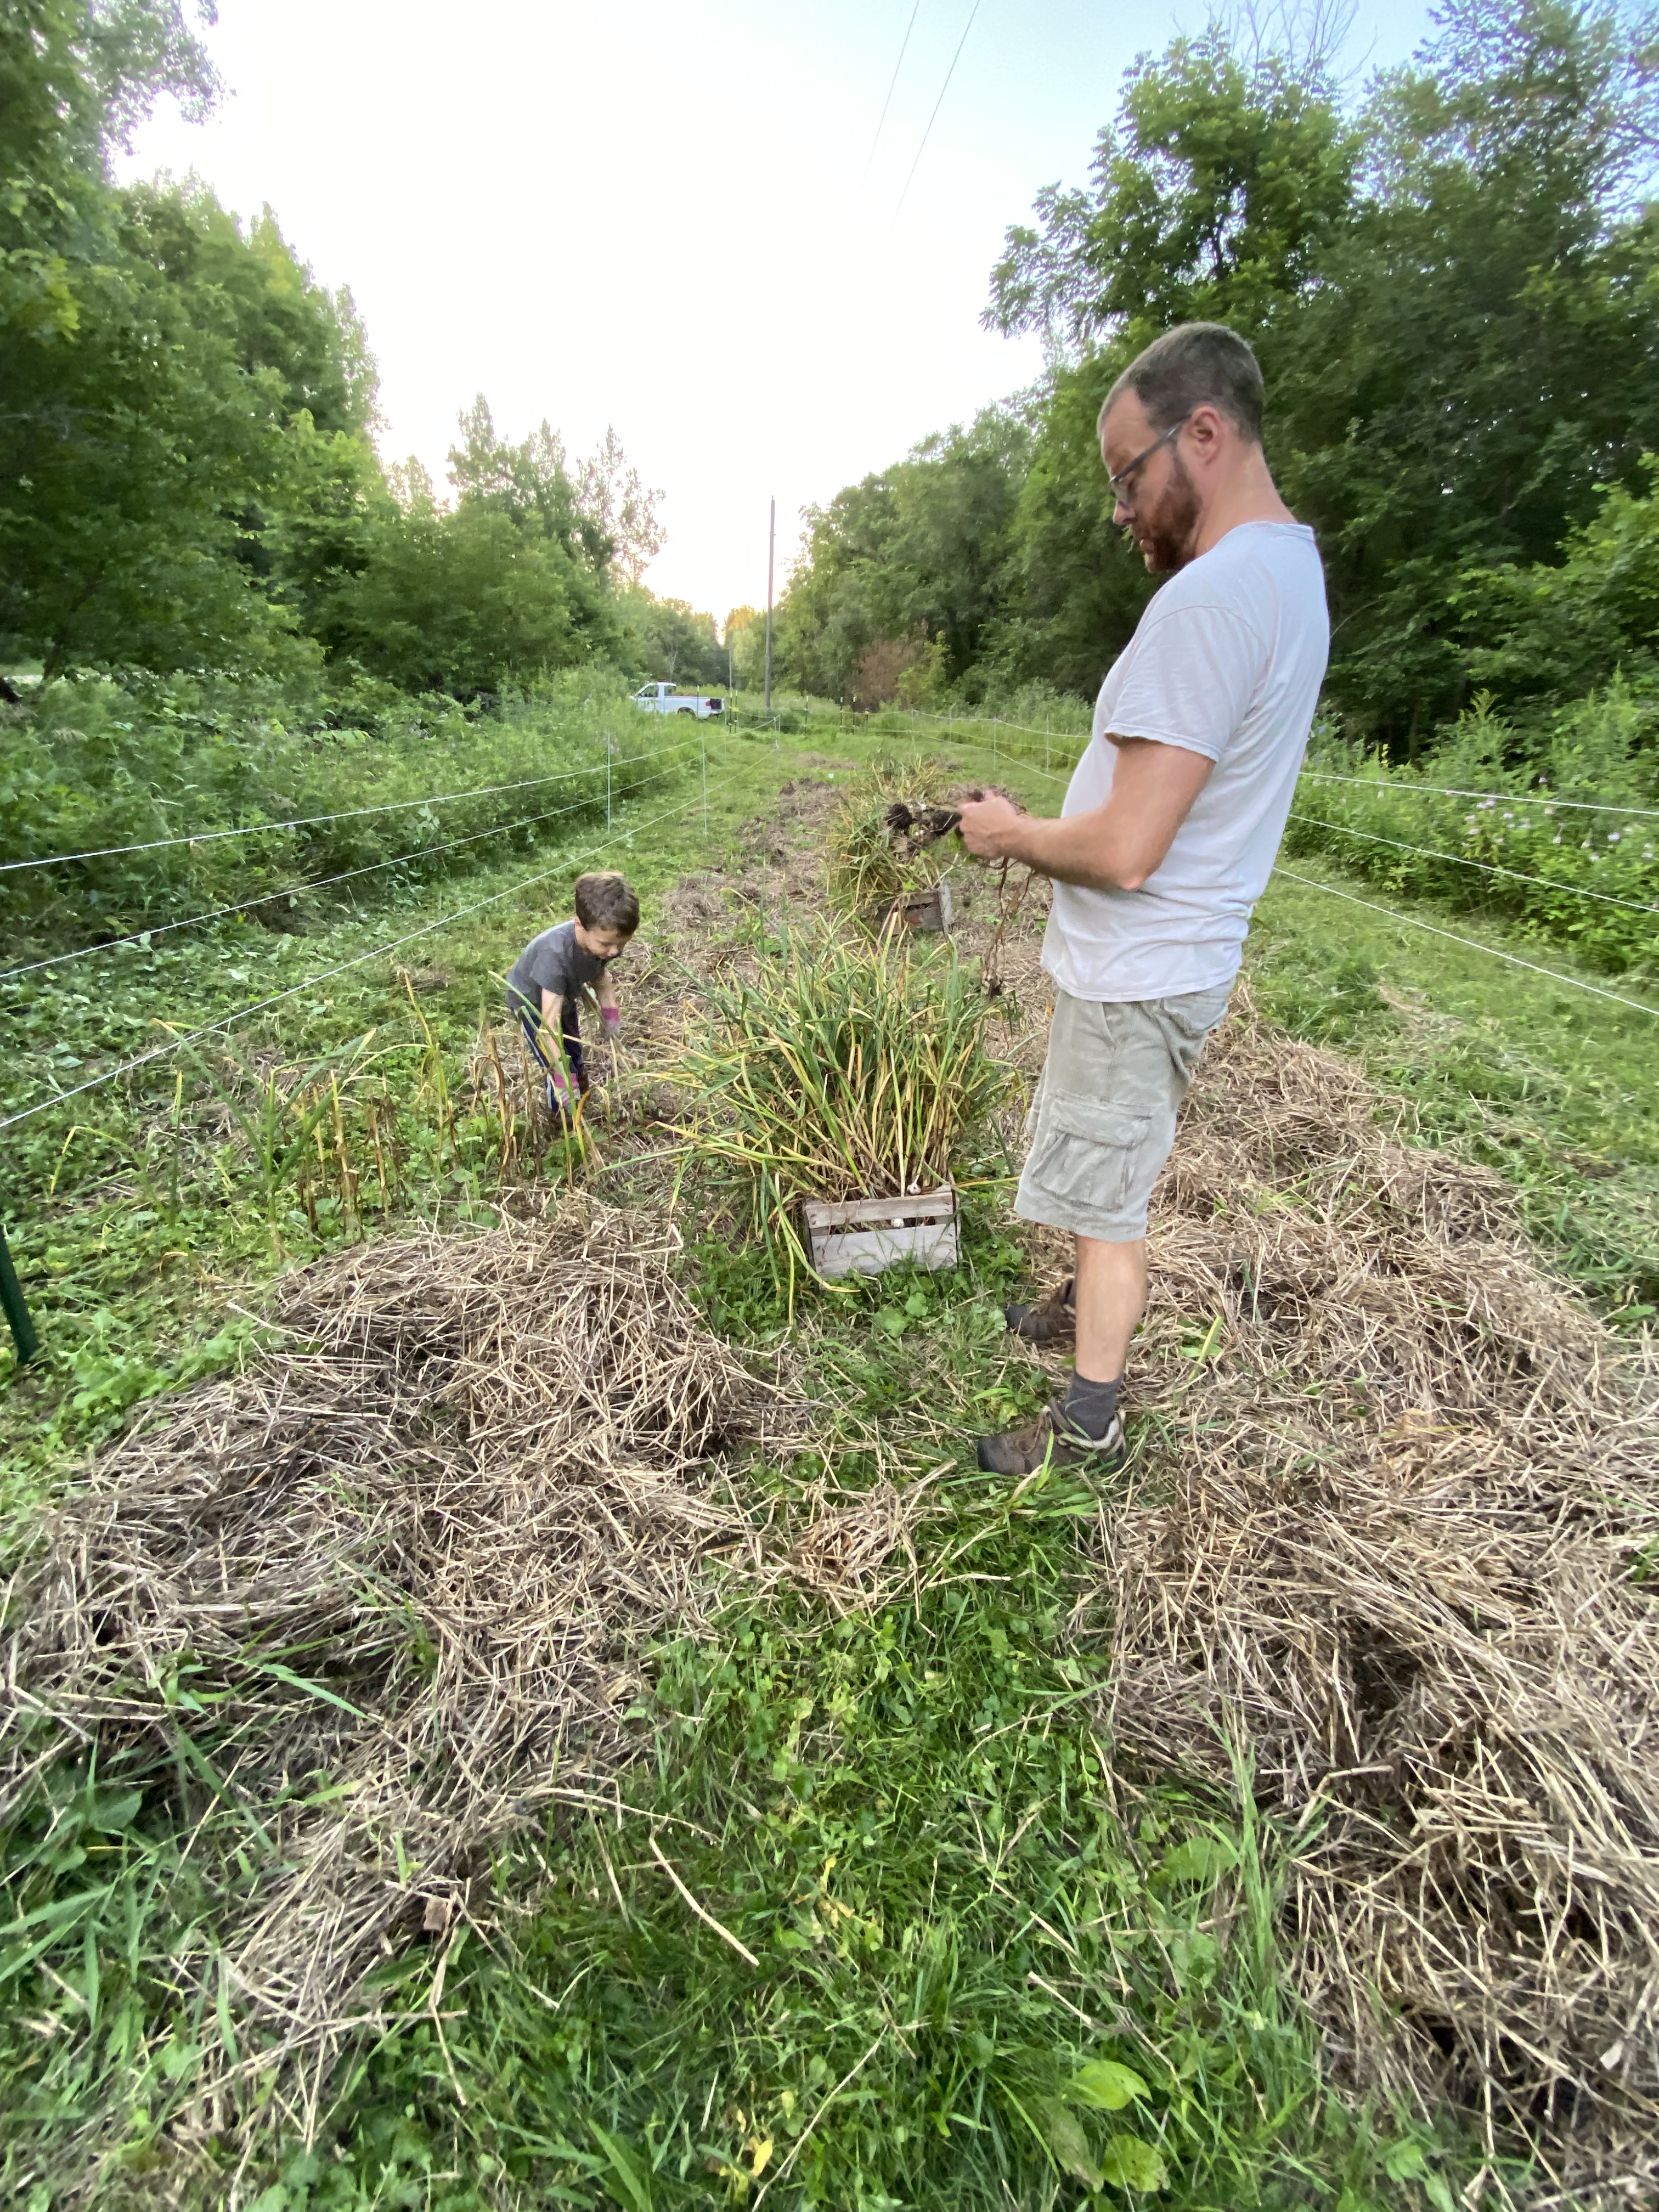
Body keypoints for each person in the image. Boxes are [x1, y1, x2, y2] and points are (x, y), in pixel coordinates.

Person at [957, 321, 1329, 1479]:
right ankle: (1082, 1306)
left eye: (1129, 477)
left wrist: (1012, 836)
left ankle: (1089, 1424)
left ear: (1203, 434)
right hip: (1172, 957)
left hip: (1142, 967)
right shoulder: (1287, 572)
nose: (1121, 510)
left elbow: (1127, 848)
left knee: (1111, 1193)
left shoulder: (1213, 600)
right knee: (1108, 1163)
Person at [505, 870, 639, 1119]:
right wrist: (561, 1074)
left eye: (621, 945)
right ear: (579, 924)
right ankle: (563, 1115)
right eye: (607, 945)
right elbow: (549, 1023)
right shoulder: (554, 956)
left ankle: (579, 1081)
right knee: (555, 1060)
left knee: (573, 1045)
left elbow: (601, 979)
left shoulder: (599, 944)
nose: (614, 952)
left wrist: (611, 1020)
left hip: (563, 996)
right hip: (532, 1004)